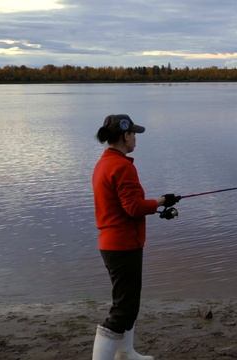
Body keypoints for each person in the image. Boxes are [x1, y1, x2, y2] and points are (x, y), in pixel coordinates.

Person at [91, 114, 177, 360]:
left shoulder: (105, 163)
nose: (136, 138)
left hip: (116, 243)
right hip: (122, 245)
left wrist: (155, 203)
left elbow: (126, 205)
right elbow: (133, 208)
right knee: (123, 309)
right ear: (124, 135)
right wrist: (158, 202)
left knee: (129, 304)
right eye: (134, 134)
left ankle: (126, 353)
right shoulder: (120, 166)